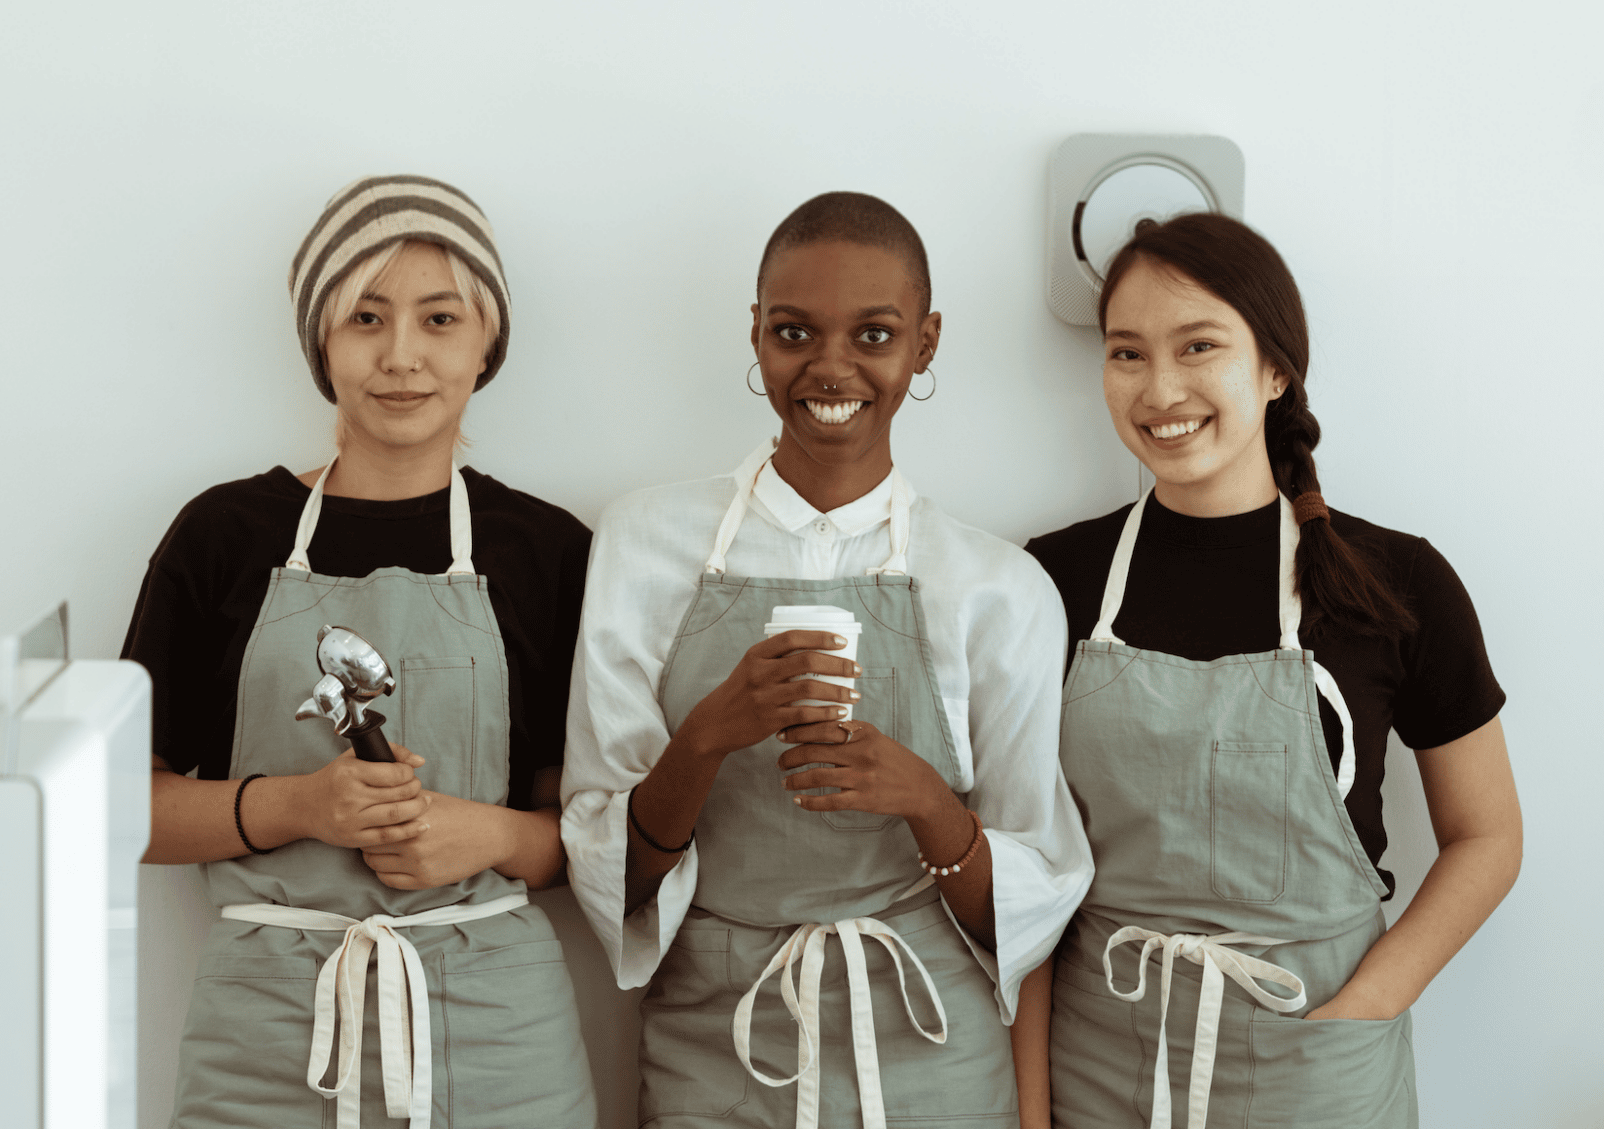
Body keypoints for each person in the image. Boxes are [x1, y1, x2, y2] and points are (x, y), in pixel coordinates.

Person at [562, 191, 1092, 1129]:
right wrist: (706, 738)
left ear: (926, 343)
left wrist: (928, 802)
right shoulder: (645, 544)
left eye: (875, 335)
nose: (830, 367)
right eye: (794, 331)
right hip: (715, 1049)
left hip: (931, 1056)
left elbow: (1031, 904)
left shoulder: (996, 587)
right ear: (756, 336)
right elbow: (614, 877)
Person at [1025, 212, 1522, 1129]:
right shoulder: (1052, 580)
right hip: (1101, 1064)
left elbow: (1487, 836)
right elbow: (1028, 865)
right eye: (1126, 353)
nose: (1159, 387)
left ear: (1275, 367)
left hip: (1317, 1065)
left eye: (1198, 345)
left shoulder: (1398, 580)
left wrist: (1370, 1004)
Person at [124, 174, 596, 1129]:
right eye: (366, 318)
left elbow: (597, 827)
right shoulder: (224, 535)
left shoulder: (546, 550)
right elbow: (121, 806)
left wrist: (490, 836)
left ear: (486, 341)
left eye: (438, 319)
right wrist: (299, 805)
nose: (401, 357)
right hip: (264, 1036)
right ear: (322, 343)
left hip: (497, 1036)